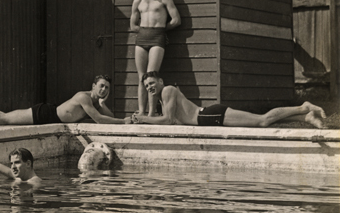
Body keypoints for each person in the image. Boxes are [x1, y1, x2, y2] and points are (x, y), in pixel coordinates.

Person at [132, 71, 326, 128]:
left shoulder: (167, 90)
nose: (150, 87)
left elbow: (168, 120)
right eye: (147, 85)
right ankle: (305, 118)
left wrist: (141, 118)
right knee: (262, 120)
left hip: (210, 115)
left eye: (152, 83)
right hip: (208, 116)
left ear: (160, 80)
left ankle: (303, 107)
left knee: (262, 120)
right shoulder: (163, 96)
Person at [0, 75, 133, 126]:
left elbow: (107, 117)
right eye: (101, 86)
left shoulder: (95, 103)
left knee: (4, 118)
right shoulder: (83, 97)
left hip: (52, 117)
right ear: (93, 86)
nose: (103, 90)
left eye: (107, 88)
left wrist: (102, 103)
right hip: (45, 114)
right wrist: (124, 122)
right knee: (4, 119)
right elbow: (100, 120)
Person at [130, 0, 180, 117]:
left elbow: (176, 20)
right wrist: (145, 31)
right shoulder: (138, 0)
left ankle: (151, 114)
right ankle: (141, 111)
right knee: (141, 77)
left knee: (151, 77)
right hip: (142, 37)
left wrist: (162, 30)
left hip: (158, 37)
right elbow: (133, 26)